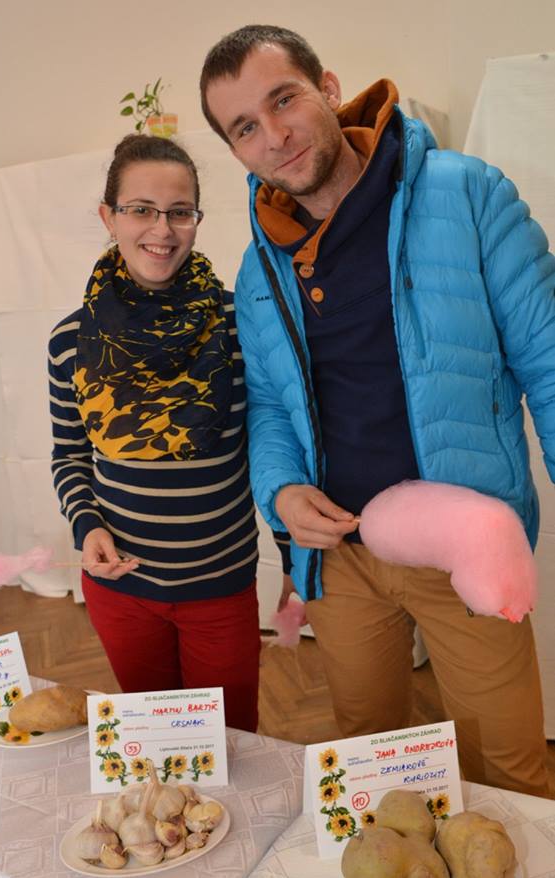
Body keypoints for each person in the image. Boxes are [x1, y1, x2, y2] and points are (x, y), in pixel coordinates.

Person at [200, 24, 555, 795]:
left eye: (283, 100)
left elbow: (547, 356)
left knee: (508, 769)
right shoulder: (259, 268)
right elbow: (268, 404)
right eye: (244, 128)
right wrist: (280, 491)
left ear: (328, 89)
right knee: (371, 755)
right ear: (234, 151)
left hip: (464, 543)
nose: (274, 136)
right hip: (339, 558)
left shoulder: (466, 193)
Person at [48, 133, 285, 732]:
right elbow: (69, 453)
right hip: (121, 588)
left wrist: (292, 557)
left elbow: (273, 442)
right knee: (152, 739)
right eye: (141, 209)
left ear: (197, 220)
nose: (162, 229)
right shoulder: (71, 341)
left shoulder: (238, 324)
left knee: (230, 740)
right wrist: (87, 526)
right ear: (109, 217)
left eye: (180, 212)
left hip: (221, 587)